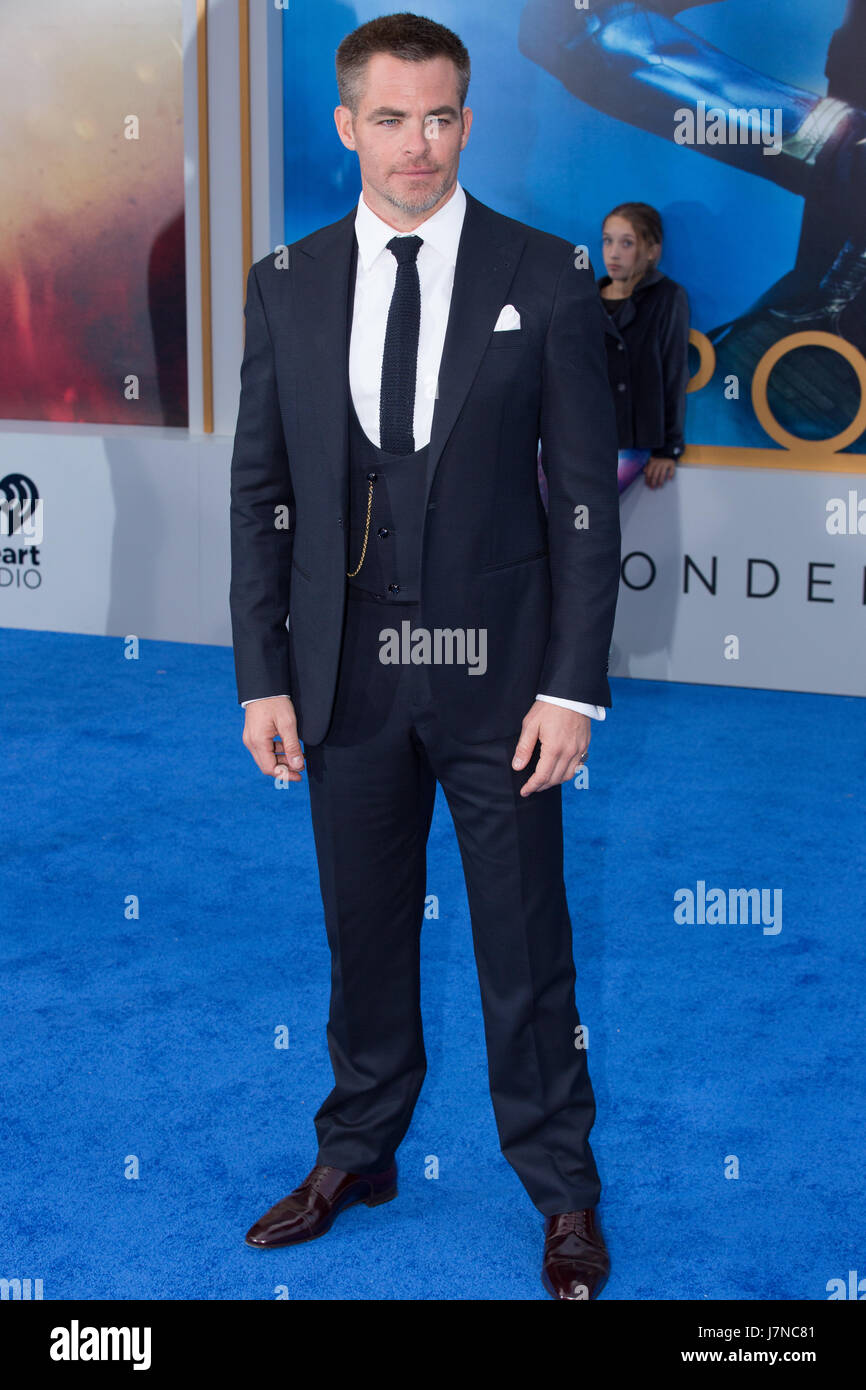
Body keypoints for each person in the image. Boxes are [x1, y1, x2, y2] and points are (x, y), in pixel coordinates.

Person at [229, 12, 621, 1301]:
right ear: (346, 125)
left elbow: (581, 501)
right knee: (363, 933)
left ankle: (560, 1190)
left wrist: (569, 684)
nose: (416, 143)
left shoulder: (547, 274)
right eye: (389, 118)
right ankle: (358, 1151)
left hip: (502, 683)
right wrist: (261, 674)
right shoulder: (283, 282)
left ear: (467, 118)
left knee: (524, 942)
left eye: (440, 115)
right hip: (342, 677)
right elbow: (259, 491)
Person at [598, 202, 690, 491]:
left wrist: (668, 449)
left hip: (631, 438)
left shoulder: (667, 297)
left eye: (627, 243)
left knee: (582, 516)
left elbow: (673, 371)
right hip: (579, 435)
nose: (613, 253)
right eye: (607, 241)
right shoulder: (585, 295)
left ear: (652, 250)